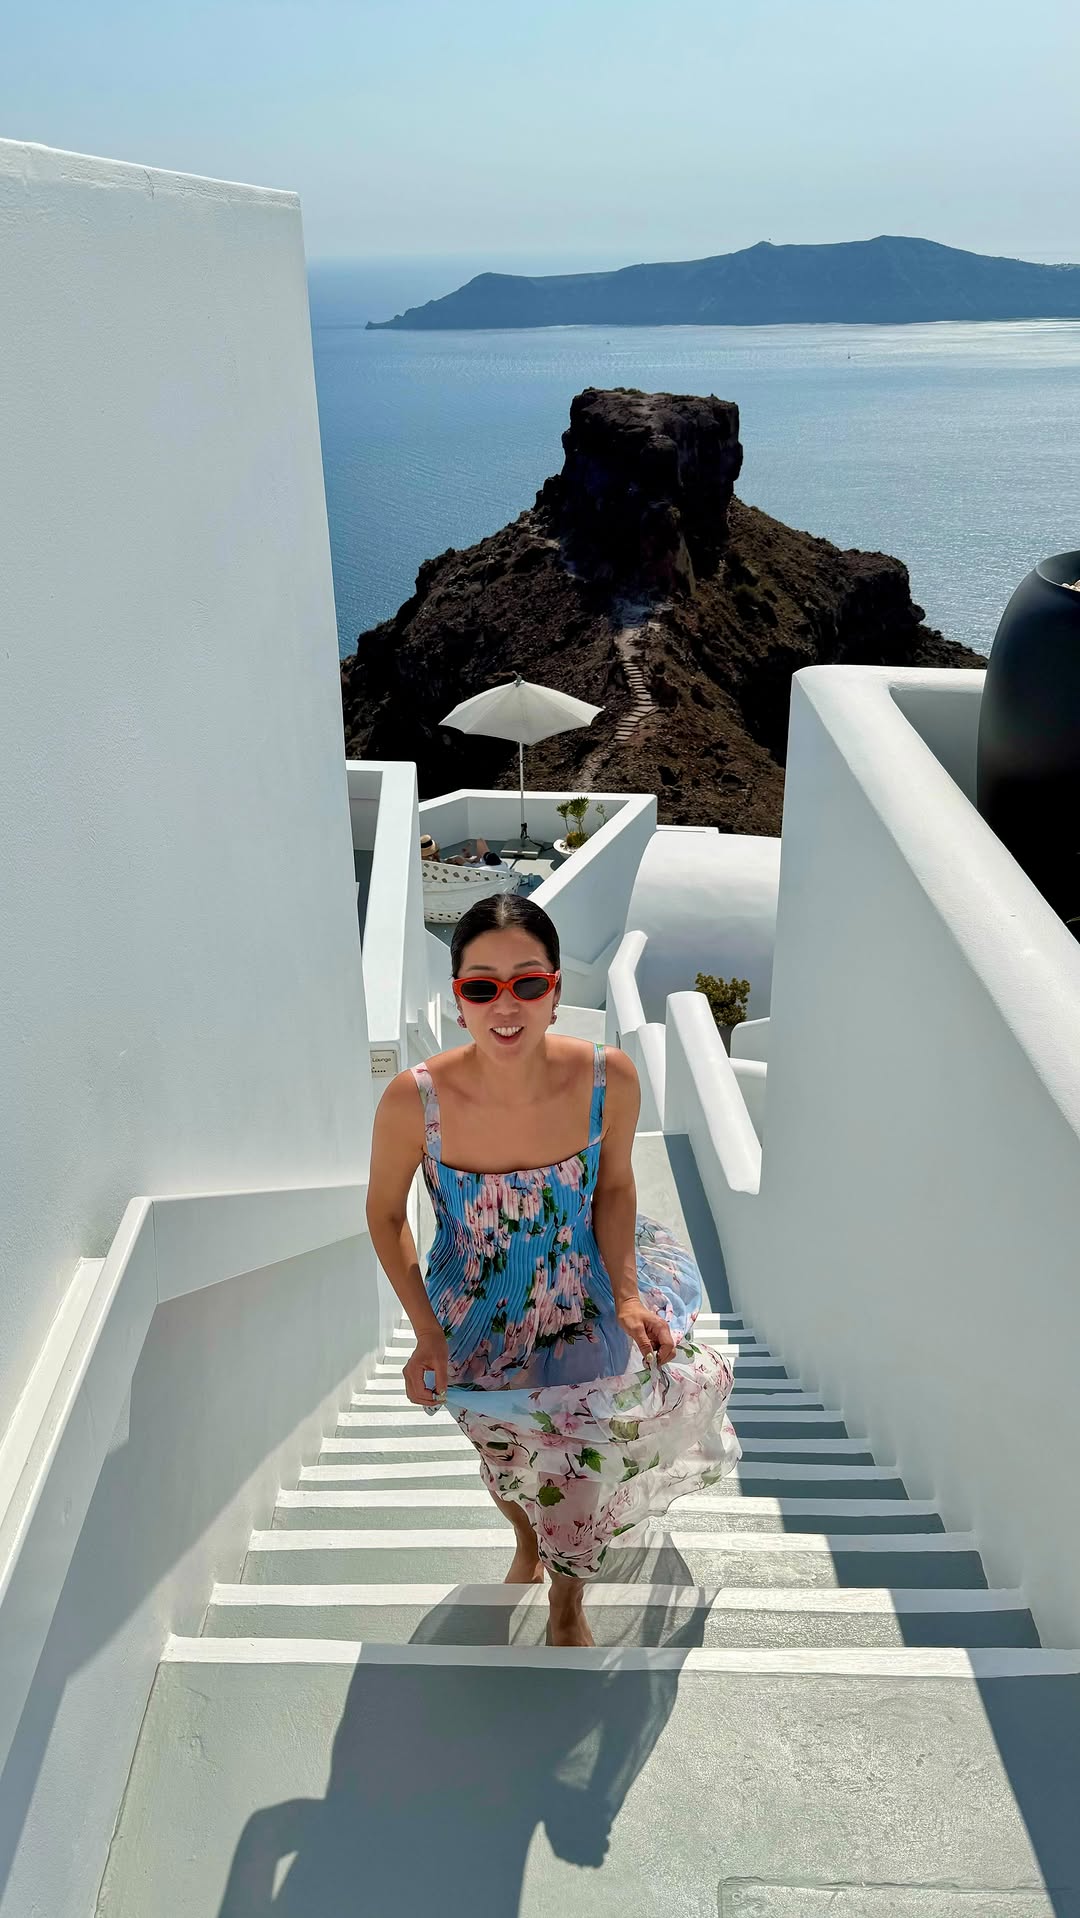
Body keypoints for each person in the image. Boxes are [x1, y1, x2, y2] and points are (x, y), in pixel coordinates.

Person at [365, 895, 741, 1647]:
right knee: (505, 1459)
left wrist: (628, 1296)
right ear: (458, 999)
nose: (506, 1006)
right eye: (482, 987)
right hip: (470, 1318)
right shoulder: (416, 1101)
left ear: (556, 989)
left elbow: (616, 1188)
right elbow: (385, 1215)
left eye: (527, 983)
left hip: (581, 1303)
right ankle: (526, 1542)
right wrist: (426, 1333)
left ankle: (567, 1603)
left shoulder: (608, 1079)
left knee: (577, 1468)